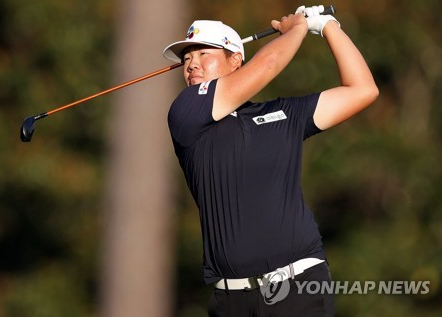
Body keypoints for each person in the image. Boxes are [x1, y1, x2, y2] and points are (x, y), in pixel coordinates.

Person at [162, 5, 378, 317]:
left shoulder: (282, 114)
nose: (191, 65)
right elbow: (269, 64)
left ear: (236, 59)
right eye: (186, 60)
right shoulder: (186, 113)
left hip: (299, 287)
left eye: (203, 54)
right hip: (230, 301)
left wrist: (327, 26)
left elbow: (362, 89)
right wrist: (298, 28)